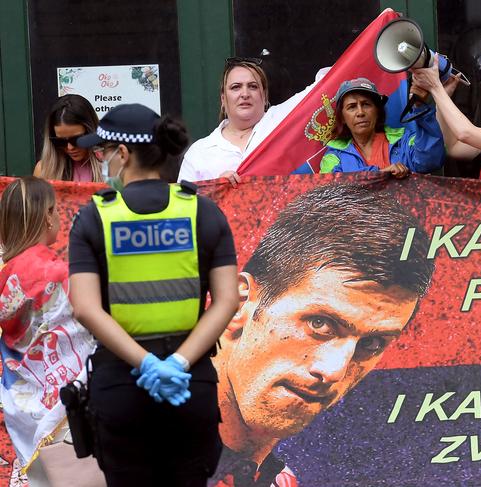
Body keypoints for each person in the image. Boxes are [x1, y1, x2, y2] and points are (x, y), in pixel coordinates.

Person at [209, 183, 435, 486]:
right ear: (236, 305)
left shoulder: (281, 480)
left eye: (372, 343)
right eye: (320, 324)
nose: (333, 370)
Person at [68, 104, 239, 486]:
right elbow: (227, 300)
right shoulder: (204, 213)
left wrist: (146, 364)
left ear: (124, 154)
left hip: (121, 385)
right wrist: (177, 363)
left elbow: (85, 307)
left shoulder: (94, 218)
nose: (102, 160)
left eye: (103, 151)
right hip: (189, 384)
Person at [0, 177, 96, 485]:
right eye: (55, 210)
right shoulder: (57, 271)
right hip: (68, 398)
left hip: (25, 399)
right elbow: (88, 324)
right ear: (47, 215)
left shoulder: (5, 273)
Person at [178, 57, 328, 186]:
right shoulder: (199, 153)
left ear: (264, 96)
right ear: (223, 99)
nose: (245, 94)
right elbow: (184, 208)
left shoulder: (283, 120)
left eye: (253, 86)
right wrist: (215, 189)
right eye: (236, 87)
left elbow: (329, 82)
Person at [318, 77, 445, 176]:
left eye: (366, 104)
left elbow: (431, 161)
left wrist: (420, 107)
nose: (360, 112)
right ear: (343, 118)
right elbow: (328, 193)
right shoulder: (334, 156)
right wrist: (381, 175)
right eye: (352, 107)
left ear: (377, 111)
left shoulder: (403, 141)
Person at [34, 94, 103, 182]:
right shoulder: (44, 171)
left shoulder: (112, 167)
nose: (70, 147)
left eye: (76, 140)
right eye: (60, 141)